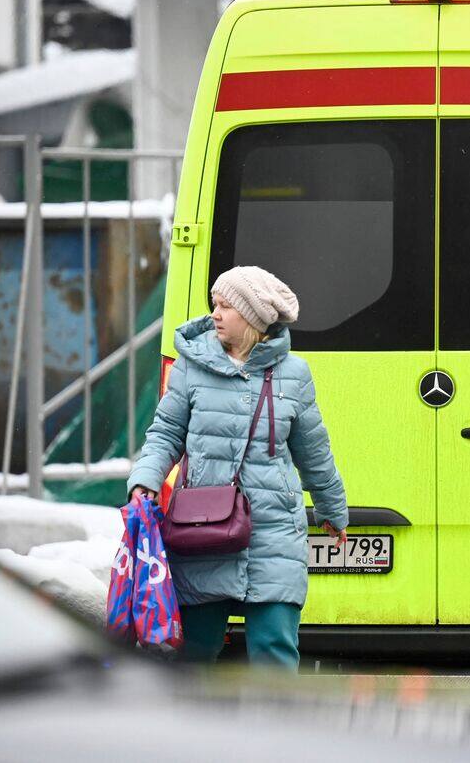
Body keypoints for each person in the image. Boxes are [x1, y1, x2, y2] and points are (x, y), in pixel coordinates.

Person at [127, 266, 349, 669]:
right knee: (193, 655)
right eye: (215, 304)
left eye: (226, 306)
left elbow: (314, 452)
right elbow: (165, 433)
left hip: (273, 533)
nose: (215, 313)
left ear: (253, 318)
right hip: (200, 532)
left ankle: (276, 731)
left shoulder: (294, 375)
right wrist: (144, 481)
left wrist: (333, 511)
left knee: (274, 655)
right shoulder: (191, 367)